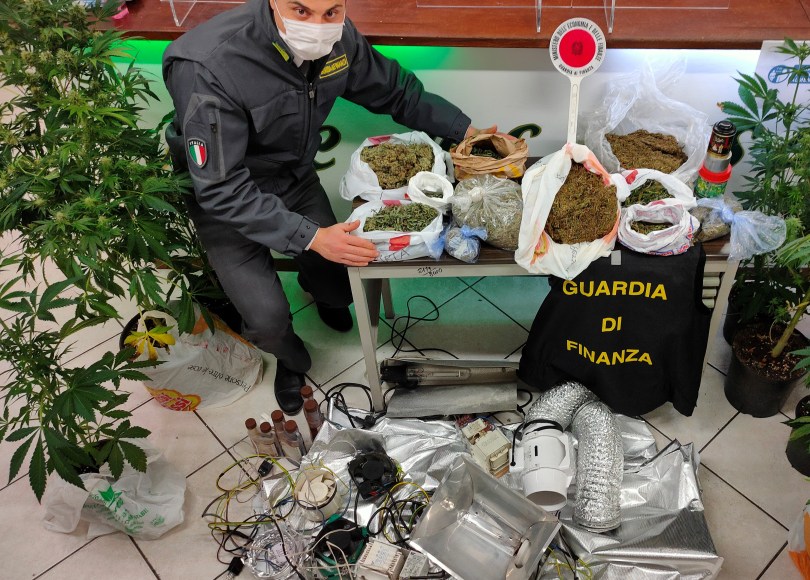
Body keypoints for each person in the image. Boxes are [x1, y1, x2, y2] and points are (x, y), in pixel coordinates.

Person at [163, 0, 493, 414]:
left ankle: (320, 291)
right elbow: (221, 187)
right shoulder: (207, 64)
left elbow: (396, 91)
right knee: (266, 320)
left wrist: (465, 131)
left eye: (332, 12)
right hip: (225, 200)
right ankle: (292, 360)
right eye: (301, 11)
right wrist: (312, 237)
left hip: (292, 178)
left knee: (339, 284)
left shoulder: (339, 38)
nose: (319, 25)